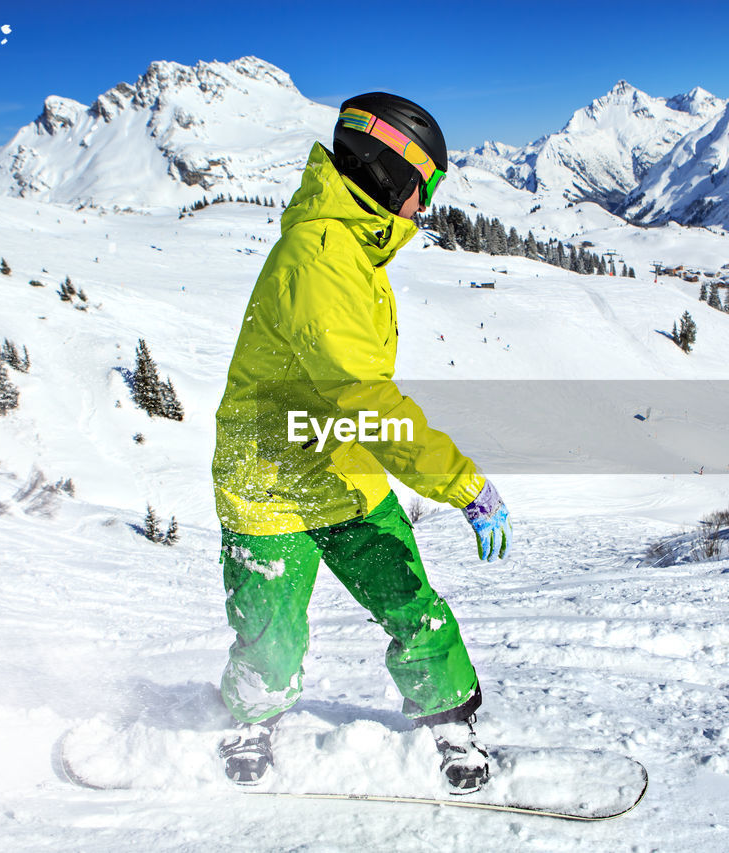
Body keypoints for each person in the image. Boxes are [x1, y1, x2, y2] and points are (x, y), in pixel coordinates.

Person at [210, 93, 512, 793]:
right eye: (424, 189)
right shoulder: (319, 257)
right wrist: (460, 481)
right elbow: (365, 397)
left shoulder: (353, 247)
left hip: (336, 462)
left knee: (412, 600)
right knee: (271, 632)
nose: (423, 209)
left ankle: (448, 715)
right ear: (389, 173)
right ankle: (252, 714)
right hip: (268, 474)